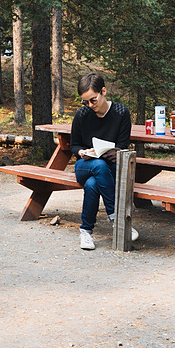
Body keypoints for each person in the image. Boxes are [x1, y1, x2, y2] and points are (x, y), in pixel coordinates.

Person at [70, 72, 137, 250]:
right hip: (85, 165)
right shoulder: (82, 115)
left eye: (93, 100)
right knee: (97, 166)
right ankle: (116, 218)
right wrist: (83, 152)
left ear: (104, 91)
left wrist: (108, 151)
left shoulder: (121, 113)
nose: (90, 105)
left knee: (93, 184)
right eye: (85, 101)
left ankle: (85, 231)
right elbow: (74, 146)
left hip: (109, 168)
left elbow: (123, 146)